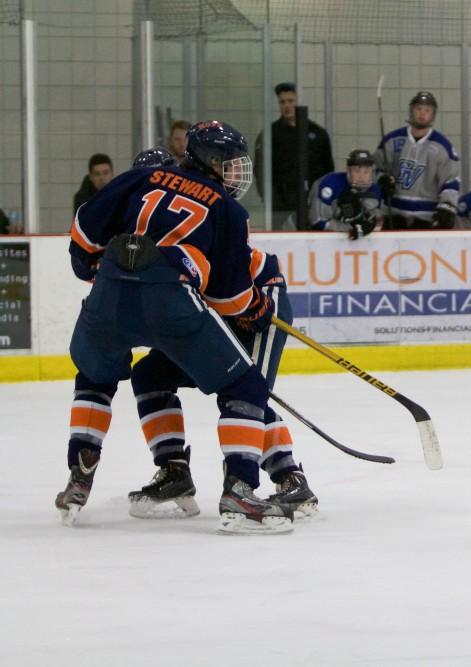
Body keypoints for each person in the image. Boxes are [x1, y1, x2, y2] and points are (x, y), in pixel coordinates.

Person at [57, 120, 295, 534]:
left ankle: (80, 473)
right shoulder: (227, 209)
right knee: (246, 387)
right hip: (170, 300)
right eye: (231, 163)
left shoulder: (141, 177)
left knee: (96, 375)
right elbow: (231, 298)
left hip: (110, 291)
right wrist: (255, 311)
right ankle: (240, 492)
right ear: (211, 160)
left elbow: (82, 233)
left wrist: (91, 265)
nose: (236, 172)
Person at [123, 146, 318, 521]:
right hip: (220, 311)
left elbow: (231, 279)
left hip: (256, 303)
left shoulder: (201, 209)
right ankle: (174, 470)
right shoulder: (148, 224)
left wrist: (250, 306)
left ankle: (288, 478)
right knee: (150, 375)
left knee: (244, 393)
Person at [374, 91, 461, 230]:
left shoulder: (443, 146)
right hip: (394, 215)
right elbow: (376, 168)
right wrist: (381, 180)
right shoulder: (392, 140)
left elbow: (450, 180)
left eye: (427, 110)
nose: (422, 114)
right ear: (411, 111)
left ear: (433, 115)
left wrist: (447, 206)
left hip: (427, 217)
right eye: (418, 109)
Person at [254, 82, 335, 229]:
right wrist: (271, 199)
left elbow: (327, 169)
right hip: (281, 206)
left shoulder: (317, 134)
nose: (287, 106)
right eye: (282, 102)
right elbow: (260, 171)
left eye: (291, 101)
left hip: (312, 203)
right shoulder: (270, 134)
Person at [309, 149, 384, 239]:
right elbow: (317, 220)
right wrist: (351, 229)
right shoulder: (329, 183)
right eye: (357, 171)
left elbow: (377, 220)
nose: (361, 176)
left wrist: (370, 225)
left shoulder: (375, 190)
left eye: (366, 171)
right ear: (348, 171)